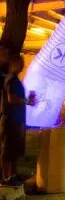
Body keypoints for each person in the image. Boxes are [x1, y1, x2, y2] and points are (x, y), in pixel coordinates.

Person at [1, 56, 35, 186]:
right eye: (20, 63)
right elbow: (11, 98)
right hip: (12, 119)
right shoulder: (11, 80)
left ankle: (13, 175)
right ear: (13, 64)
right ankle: (6, 178)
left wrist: (27, 101)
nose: (22, 66)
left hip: (18, 119)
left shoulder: (15, 80)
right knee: (8, 151)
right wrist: (26, 101)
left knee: (15, 151)